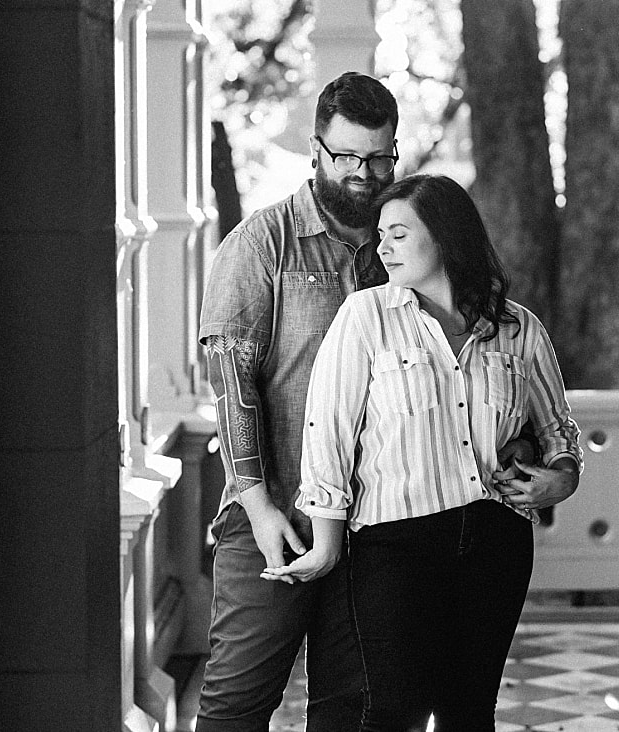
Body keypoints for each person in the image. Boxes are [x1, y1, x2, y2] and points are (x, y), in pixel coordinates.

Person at [196, 74, 535, 731]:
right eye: (348, 156)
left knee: (352, 712)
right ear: (317, 151)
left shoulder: (404, 249)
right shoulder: (261, 246)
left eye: (380, 157)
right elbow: (230, 381)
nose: (364, 172)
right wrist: (259, 505)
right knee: (237, 703)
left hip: (377, 531)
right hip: (274, 513)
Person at [266, 174, 583, 731]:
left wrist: (560, 478)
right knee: (392, 712)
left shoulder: (518, 329)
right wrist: (326, 544)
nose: (382, 247)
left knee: (469, 714)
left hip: (495, 542)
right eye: (381, 235)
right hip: (395, 545)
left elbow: (559, 432)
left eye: (398, 234)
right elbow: (328, 432)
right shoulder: (365, 317)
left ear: (445, 236)